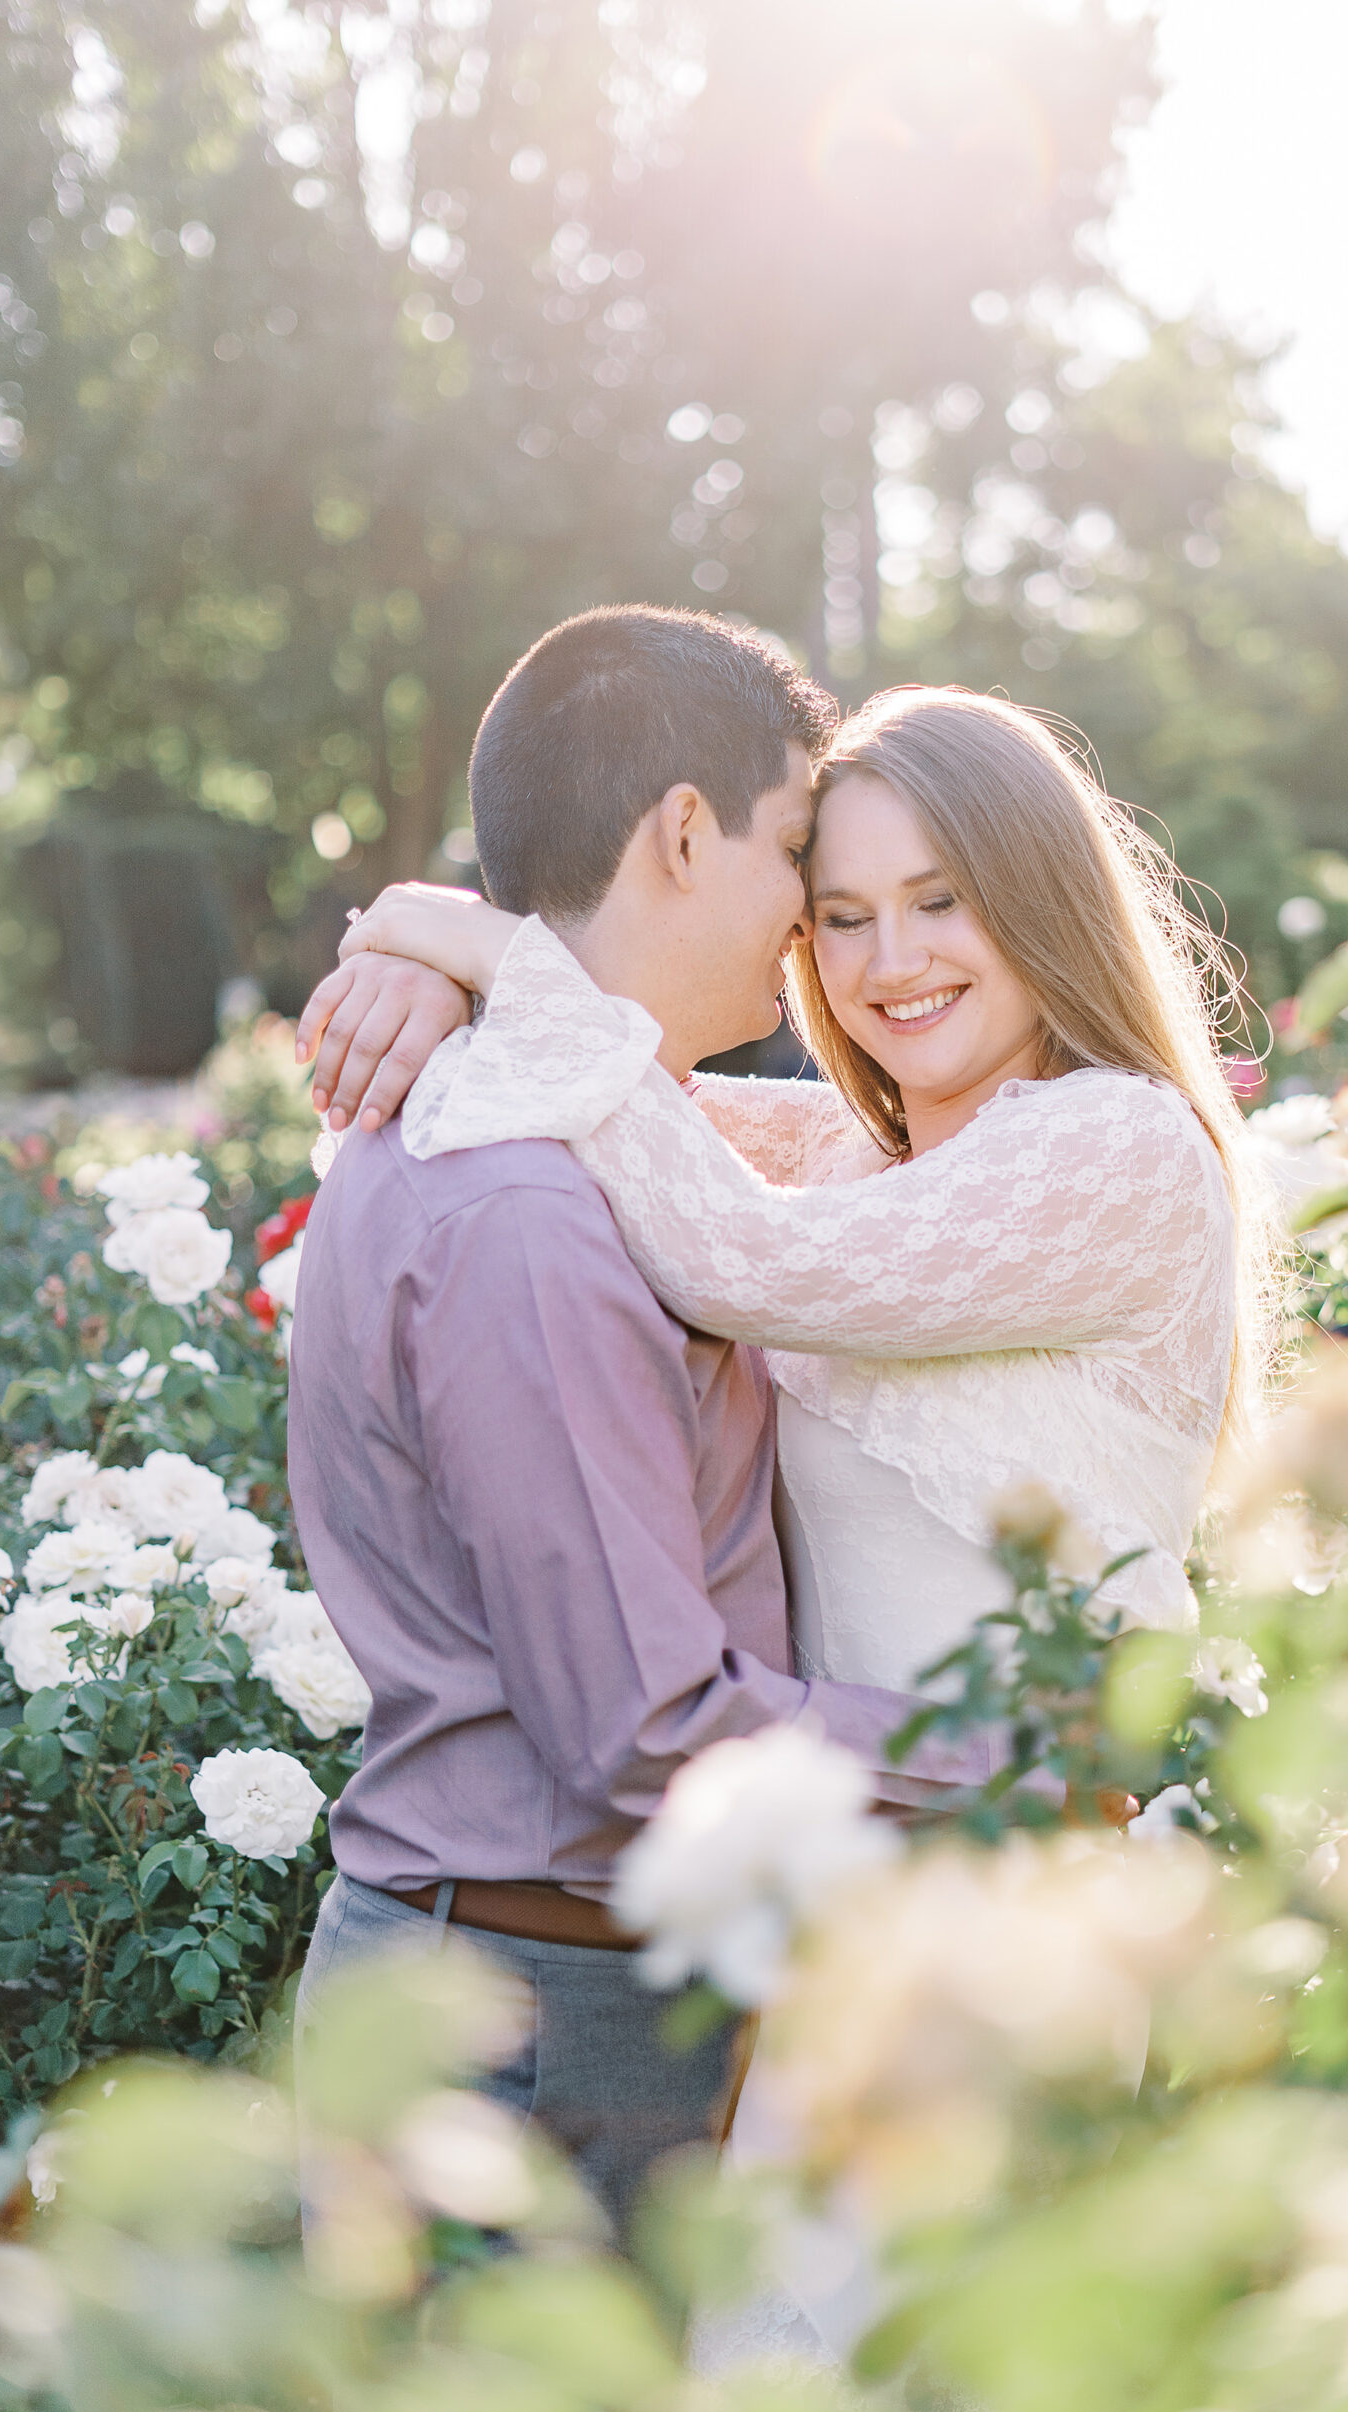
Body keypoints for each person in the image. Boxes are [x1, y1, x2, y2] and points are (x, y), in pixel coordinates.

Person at [287, 609, 997, 2241]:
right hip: (535, 2023)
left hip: (520, 1977)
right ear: (684, 832)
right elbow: (647, 1728)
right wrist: (1016, 1756)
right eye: (794, 859)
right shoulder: (529, 1212)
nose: (810, 936)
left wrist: (431, 936)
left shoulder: (566, 1137)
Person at [303, 684, 1277, 1702]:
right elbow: (620, 1081)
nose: (894, 962)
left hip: (1028, 1834)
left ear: (1041, 897)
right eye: (844, 918)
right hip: (845, 1821)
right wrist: (441, 969)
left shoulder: (1124, 1143)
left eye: (940, 900)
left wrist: (491, 949)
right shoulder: (842, 1156)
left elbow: (737, 1251)